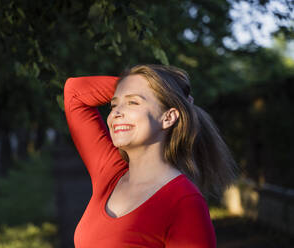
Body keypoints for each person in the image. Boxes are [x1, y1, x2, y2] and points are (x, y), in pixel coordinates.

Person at [63, 64, 237, 247]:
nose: (116, 113)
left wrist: (169, 93)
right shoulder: (111, 174)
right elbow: (75, 92)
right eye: (114, 104)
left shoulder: (184, 201)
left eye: (133, 102)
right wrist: (135, 88)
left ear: (168, 117)